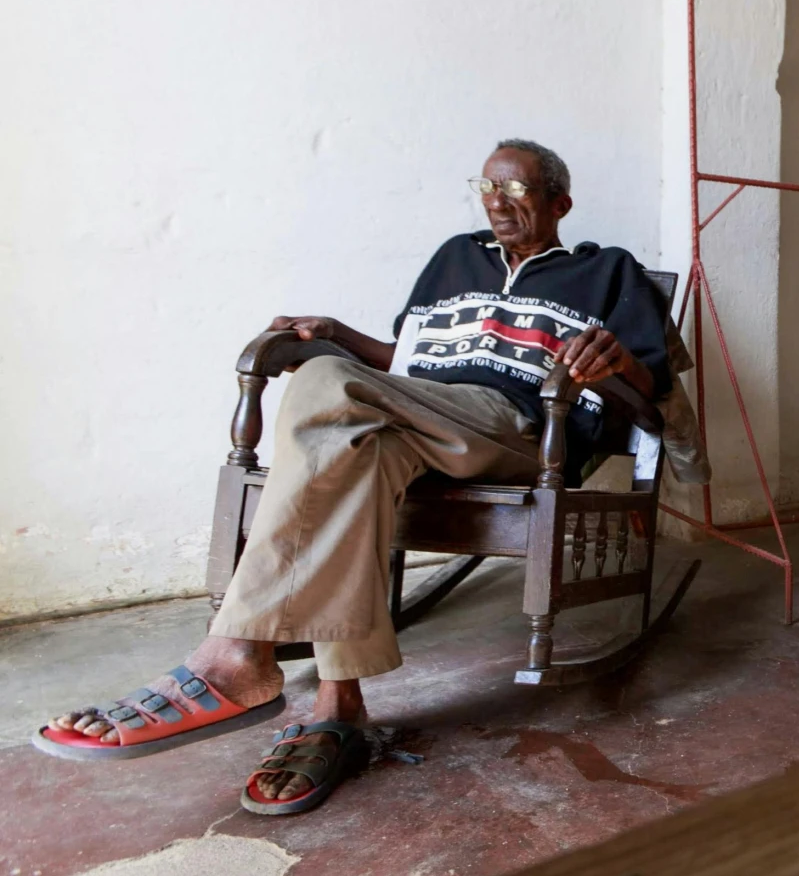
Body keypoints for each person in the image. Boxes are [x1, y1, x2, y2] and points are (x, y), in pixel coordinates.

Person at [38, 141, 672, 816]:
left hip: (517, 425)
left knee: (323, 377)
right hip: (414, 416)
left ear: (558, 203)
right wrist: (338, 331)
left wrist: (617, 364)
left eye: (514, 190)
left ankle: (237, 652)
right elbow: (402, 359)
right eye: (485, 185)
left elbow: (651, 383)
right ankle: (341, 705)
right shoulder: (455, 258)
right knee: (354, 449)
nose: (495, 200)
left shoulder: (606, 271)